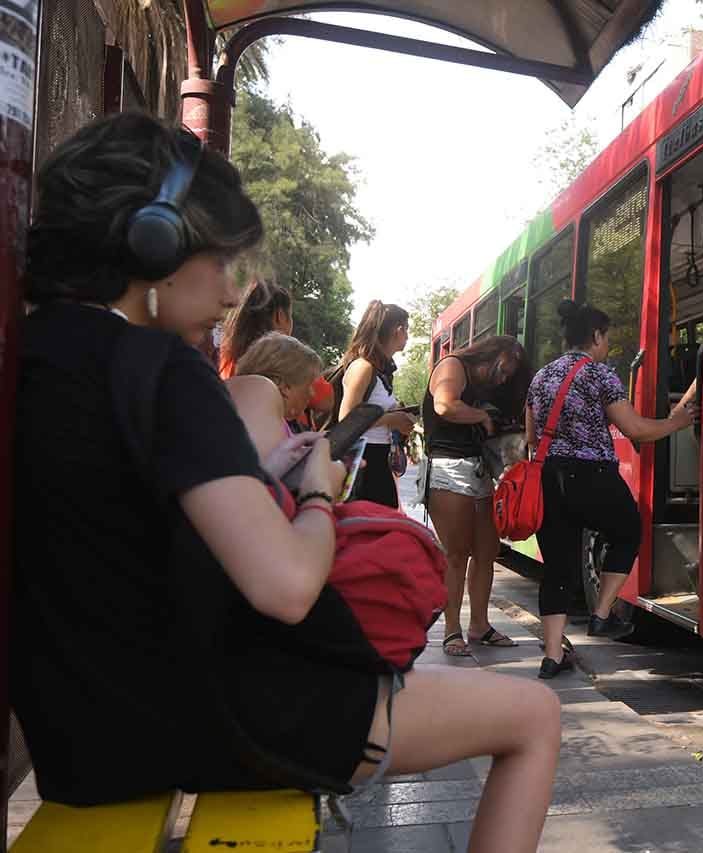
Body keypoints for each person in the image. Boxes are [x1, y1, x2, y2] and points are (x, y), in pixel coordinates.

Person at [12, 113, 558, 851]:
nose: (233, 292)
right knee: (535, 718)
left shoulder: (31, 357)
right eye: (217, 257)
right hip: (218, 718)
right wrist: (314, 490)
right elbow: (288, 585)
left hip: (79, 740)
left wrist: (252, 474)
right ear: (153, 244)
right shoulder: (166, 373)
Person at [525, 300, 695, 679]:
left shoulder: (541, 377)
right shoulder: (600, 375)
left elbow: (531, 437)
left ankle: (552, 656)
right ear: (596, 337)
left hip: (548, 477)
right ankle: (601, 614)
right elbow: (636, 430)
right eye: (606, 338)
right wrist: (677, 422)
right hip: (592, 474)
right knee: (629, 530)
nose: (607, 346)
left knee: (557, 568)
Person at [422, 335, 530, 656]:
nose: (508, 375)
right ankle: (451, 629)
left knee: (487, 550)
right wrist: (481, 417)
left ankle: (479, 625)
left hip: (478, 469)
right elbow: (444, 405)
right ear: (500, 353)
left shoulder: (487, 386)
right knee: (456, 554)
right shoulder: (453, 366)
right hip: (447, 468)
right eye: (510, 366)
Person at [334, 301, 417, 507]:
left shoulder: (380, 371)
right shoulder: (363, 367)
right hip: (361, 463)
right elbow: (347, 418)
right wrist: (393, 419)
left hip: (378, 460)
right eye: (406, 330)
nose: (407, 336)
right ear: (398, 330)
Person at [219, 280, 334, 428]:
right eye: (290, 316)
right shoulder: (291, 357)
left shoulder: (224, 355)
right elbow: (325, 401)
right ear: (280, 316)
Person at [229, 332, 324, 456]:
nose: (312, 394)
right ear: (284, 387)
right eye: (309, 385)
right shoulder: (266, 426)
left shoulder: (233, 402)